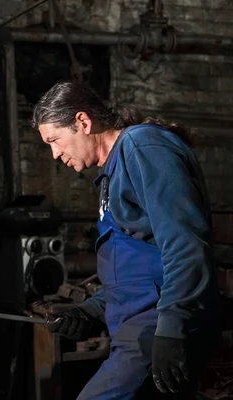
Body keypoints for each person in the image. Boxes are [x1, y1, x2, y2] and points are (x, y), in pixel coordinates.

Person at [31, 81, 219, 399]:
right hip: (140, 325)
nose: (55, 154)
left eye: (55, 140)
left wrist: (173, 327)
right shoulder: (113, 172)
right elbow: (137, 266)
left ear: (82, 122)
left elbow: (184, 241)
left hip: (157, 324)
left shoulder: (142, 147)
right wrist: (90, 311)